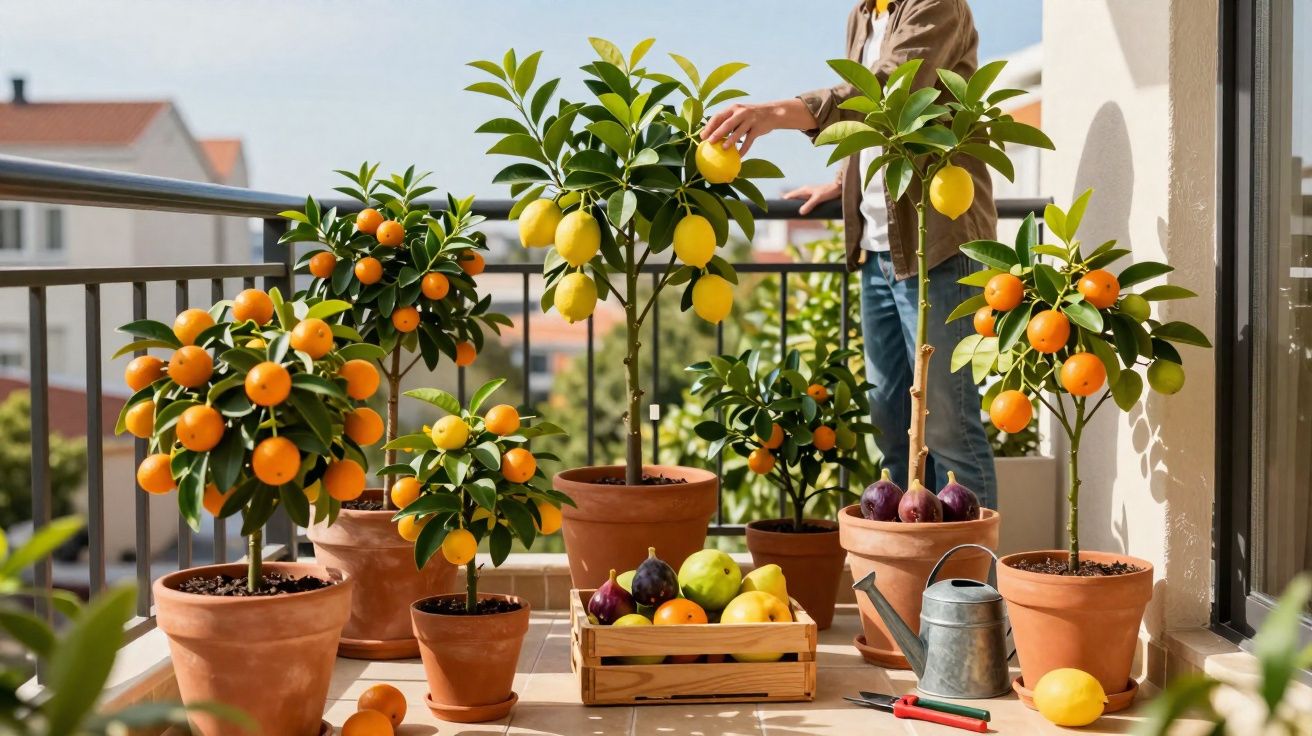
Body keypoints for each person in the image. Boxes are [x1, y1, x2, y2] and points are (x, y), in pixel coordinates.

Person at [702, 0, 998, 507]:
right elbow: (879, 127)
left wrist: (776, 113)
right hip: (879, 250)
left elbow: (890, 88)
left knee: (951, 430)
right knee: (890, 422)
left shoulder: (936, 5)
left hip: (937, 247)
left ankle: (968, 582)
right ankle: (914, 573)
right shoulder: (863, 15)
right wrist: (845, 181)